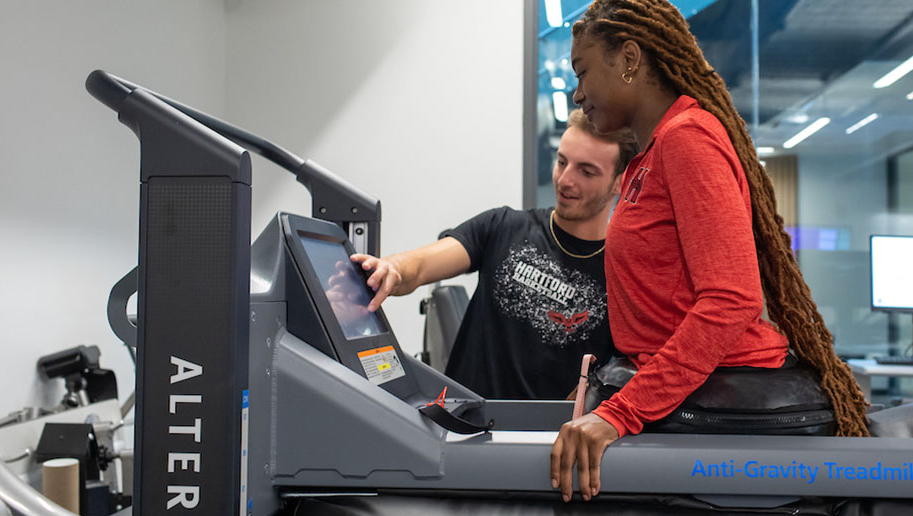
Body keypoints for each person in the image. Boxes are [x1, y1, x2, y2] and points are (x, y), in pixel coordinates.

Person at [548, 0, 871, 502]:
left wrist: (621, 411)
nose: (577, 92)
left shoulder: (688, 139)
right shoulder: (647, 156)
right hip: (678, 389)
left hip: (724, 397)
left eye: (583, 71)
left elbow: (731, 300)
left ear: (629, 59)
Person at [349, 108, 639, 400]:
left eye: (586, 171)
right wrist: (391, 269)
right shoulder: (503, 226)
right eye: (562, 161)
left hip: (545, 439)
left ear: (620, 181)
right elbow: (419, 266)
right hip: (464, 430)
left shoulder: (621, 276)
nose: (565, 179)